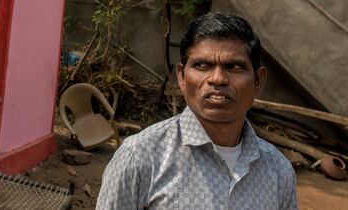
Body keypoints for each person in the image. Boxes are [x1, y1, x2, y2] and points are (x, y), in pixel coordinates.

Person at [97, 12, 298, 209]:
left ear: (258, 81)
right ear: (182, 78)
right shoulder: (140, 157)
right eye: (202, 65)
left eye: (235, 67)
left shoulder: (278, 170)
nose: (218, 79)